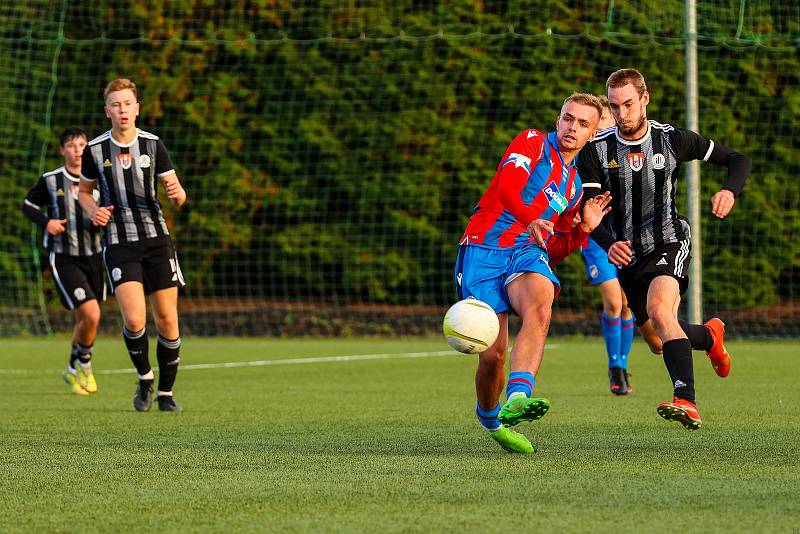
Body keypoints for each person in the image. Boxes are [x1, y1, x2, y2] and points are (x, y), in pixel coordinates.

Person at [579, 68, 750, 430]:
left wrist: (729, 190)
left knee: (660, 309)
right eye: (614, 106)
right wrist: (609, 245)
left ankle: (685, 400)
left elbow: (738, 160)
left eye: (628, 104)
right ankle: (709, 336)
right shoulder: (596, 149)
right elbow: (590, 214)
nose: (622, 113)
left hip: (669, 239)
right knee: (657, 341)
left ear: (644, 99)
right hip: (627, 255)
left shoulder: (672, 140)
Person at [455, 93, 612, 453]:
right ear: (558, 120)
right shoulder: (532, 143)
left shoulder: (572, 187)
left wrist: (582, 230)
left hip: (524, 254)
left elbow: (552, 249)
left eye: (583, 124)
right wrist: (530, 220)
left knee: (541, 302)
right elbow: (507, 187)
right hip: (483, 248)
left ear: (591, 134)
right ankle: (491, 419)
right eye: (568, 119)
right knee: (493, 355)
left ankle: (519, 398)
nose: (573, 127)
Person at [78, 78, 188, 412]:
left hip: (156, 239)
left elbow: (178, 193)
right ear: (107, 110)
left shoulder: (154, 145)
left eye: (128, 103)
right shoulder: (95, 150)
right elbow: (84, 192)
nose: (122, 110)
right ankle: (144, 378)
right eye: (116, 104)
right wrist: (94, 210)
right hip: (119, 240)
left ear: (137, 108)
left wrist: (178, 195)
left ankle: (166, 395)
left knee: (168, 319)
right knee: (135, 320)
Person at [23, 127, 105, 395]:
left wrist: (103, 217)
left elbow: (108, 211)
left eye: (82, 144)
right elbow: (28, 205)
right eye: (72, 145)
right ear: (62, 150)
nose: (78, 149)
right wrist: (47, 222)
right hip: (64, 257)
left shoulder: (99, 180)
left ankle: (71, 368)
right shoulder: (50, 181)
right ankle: (85, 365)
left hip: (93, 255)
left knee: (85, 319)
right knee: (92, 313)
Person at [579, 96, 636, 395]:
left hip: (625, 237)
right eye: (596, 123)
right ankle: (614, 366)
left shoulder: (625, 154)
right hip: (596, 241)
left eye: (606, 123)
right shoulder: (584, 157)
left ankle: (623, 365)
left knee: (628, 304)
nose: (601, 129)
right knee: (614, 302)